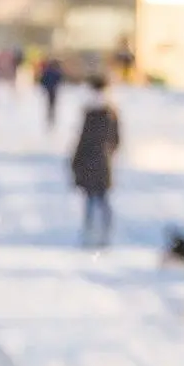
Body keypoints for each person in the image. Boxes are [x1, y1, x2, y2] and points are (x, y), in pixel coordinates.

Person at [70, 75, 121, 247]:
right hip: (100, 162)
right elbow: (116, 140)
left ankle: (95, 232)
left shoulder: (96, 113)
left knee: (94, 199)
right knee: (98, 199)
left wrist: (77, 160)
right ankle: (100, 233)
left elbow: (84, 140)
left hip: (93, 161)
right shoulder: (110, 112)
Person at [37, 54, 65, 129]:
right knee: (52, 104)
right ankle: (51, 118)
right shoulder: (56, 72)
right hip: (52, 90)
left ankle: (50, 117)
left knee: (49, 104)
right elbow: (60, 80)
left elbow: (42, 80)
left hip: (49, 90)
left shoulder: (47, 71)